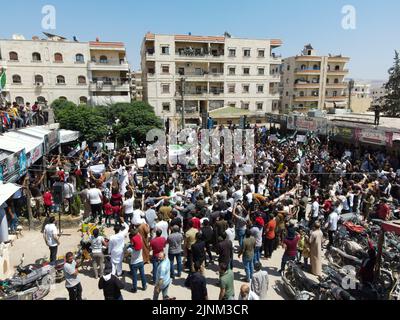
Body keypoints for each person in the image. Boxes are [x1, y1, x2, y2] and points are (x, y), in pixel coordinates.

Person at [127, 228, 147, 293]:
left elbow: (127, 252)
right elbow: (138, 235)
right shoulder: (140, 240)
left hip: (134, 263)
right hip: (141, 261)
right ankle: (144, 286)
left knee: (134, 277)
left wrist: (130, 243)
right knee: (142, 275)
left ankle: (134, 288)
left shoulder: (130, 249)